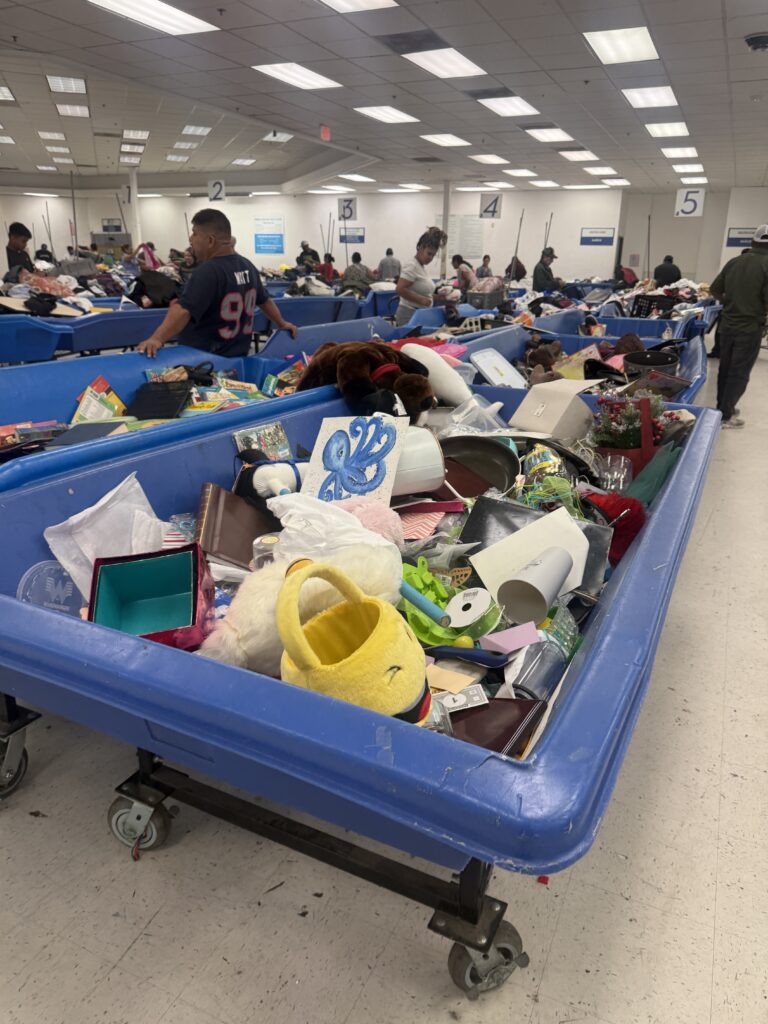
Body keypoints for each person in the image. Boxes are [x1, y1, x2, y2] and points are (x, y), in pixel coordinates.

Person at [138, 208, 297, 359]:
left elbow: (183, 310)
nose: (190, 239)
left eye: (194, 233)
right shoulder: (247, 266)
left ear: (210, 240)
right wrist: (281, 323)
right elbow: (264, 300)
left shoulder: (208, 271)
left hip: (204, 362)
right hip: (237, 358)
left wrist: (157, 339)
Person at [708, 227, 768, 428]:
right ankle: (726, 415)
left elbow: (715, 290)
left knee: (725, 368)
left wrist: (730, 302)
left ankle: (723, 407)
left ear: (752, 242)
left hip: (727, 326)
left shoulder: (734, 262)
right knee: (739, 372)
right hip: (749, 327)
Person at [394, 226, 447, 327]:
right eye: (429, 253)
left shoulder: (421, 267)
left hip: (419, 314)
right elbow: (400, 289)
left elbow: (424, 294)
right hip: (409, 315)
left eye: (433, 255)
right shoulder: (412, 265)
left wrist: (440, 297)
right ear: (421, 247)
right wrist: (421, 300)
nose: (430, 258)